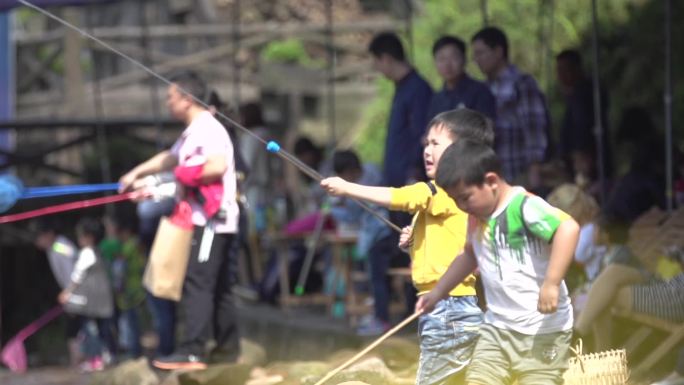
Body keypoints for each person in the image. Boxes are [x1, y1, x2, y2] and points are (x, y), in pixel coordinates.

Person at [322, 108, 493, 385]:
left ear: (461, 152)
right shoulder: (452, 196)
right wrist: (412, 242)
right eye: (427, 142)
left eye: (436, 143)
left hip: (447, 310)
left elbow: (399, 196)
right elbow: (443, 242)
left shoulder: (440, 190)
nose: (427, 149)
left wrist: (348, 188)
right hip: (452, 307)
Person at [418, 139, 578, 385]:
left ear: (491, 181)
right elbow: (469, 255)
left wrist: (552, 283)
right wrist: (439, 291)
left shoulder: (524, 206)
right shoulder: (476, 217)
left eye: (465, 197)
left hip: (542, 331)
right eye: (456, 200)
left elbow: (567, 228)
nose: (462, 206)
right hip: (497, 329)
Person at [119, 71, 240, 370]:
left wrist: (176, 177)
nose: (167, 102)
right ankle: (227, 348)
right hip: (207, 219)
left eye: (170, 97)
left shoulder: (209, 129)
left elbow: (216, 166)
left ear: (187, 99)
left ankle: (193, 351)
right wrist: (138, 175)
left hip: (211, 220)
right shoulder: (193, 132)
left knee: (198, 282)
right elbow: (169, 159)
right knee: (220, 284)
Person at [471, 26, 551, 184]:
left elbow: (534, 127)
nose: (477, 60)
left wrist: (535, 168)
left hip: (520, 170)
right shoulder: (482, 88)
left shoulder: (521, 83)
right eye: (475, 55)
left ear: (499, 52)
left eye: (481, 53)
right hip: (495, 173)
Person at [327, 149, 394, 336]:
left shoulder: (356, 188)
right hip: (386, 231)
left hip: (377, 235)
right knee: (380, 279)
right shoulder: (374, 171)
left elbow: (352, 216)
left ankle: (382, 320)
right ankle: (379, 316)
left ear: (348, 171)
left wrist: (334, 208)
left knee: (377, 279)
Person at [368, 31, 433, 188]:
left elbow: (422, 134)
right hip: (397, 182)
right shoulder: (402, 87)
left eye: (377, 62)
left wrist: (414, 171)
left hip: (410, 183)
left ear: (387, 59)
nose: (377, 68)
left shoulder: (418, 89)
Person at [58, 217, 117, 372]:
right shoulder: (99, 251)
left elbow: (77, 276)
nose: (79, 239)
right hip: (104, 299)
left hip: (91, 302)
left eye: (80, 236)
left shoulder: (86, 253)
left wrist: (67, 292)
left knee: (90, 330)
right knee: (104, 329)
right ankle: (108, 356)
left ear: (89, 237)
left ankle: (95, 359)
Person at [555, 49, 611, 180]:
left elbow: (582, 126)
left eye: (564, 70)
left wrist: (581, 154)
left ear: (576, 69)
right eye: (559, 71)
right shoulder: (575, 96)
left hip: (587, 162)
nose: (560, 76)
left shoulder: (583, 95)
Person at [34, 218, 82, 366]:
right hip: (71, 292)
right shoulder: (53, 249)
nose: (37, 242)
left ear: (48, 234)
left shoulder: (59, 247)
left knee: (76, 327)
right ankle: (77, 359)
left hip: (78, 292)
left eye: (39, 237)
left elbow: (74, 269)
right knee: (73, 327)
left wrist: (69, 293)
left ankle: (79, 359)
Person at [428, 35, 496, 120]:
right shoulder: (436, 99)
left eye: (453, 58)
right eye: (441, 59)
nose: (447, 64)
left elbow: (487, 127)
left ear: (464, 59)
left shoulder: (480, 92)